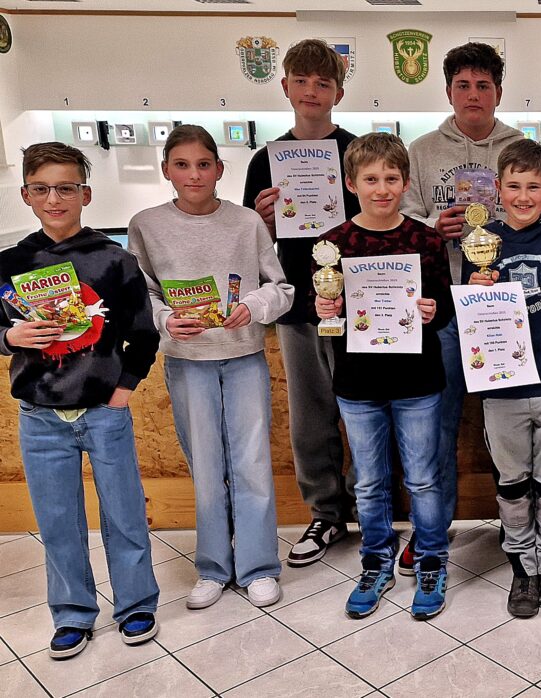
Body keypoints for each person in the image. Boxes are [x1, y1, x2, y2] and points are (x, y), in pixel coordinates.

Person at [0, 142, 160, 658]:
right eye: (42, 188)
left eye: (66, 187)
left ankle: (136, 604)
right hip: (40, 415)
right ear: (26, 195)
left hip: (103, 411)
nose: (55, 198)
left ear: (85, 193)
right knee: (58, 520)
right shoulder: (10, 263)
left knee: (124, 514)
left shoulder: (115, 261)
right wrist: (11, 339)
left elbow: (145, 334)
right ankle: (72, 614)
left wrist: (124, 388)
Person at [128, 125, 294, 611]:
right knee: (205, 465)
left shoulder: (246, 223)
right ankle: (214, 567)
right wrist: (164, 319)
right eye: (182, 165)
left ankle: (260, 566)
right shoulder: (146, 225)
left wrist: (255, 305)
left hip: (243, 356)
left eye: (204, 164)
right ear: (166, 171)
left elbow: (280, 287)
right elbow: (144, 294)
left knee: (252, 463)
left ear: (220, 170)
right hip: (188, 362)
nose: (194, 174)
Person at [314, 133, 453, 620]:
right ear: (351, 183)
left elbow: (446, 311)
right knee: (370, 483)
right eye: (370, 179)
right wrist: (324, 307)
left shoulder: (426, 239)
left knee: (422, 480)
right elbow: (327, 320)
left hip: (417, 382)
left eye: (391, 178)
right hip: (358, 384)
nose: (381, 188)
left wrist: (432, 309)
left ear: (405, 182)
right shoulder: (333, 246)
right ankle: (375, 562)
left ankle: (432, 560)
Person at [401, 42, 525, 571]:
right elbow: (403, 222)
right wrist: (434, 229)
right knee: (441, 424)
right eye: (463, 85)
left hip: (505, 304)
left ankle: (517, 528)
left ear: (499, 91)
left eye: (484, 85)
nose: (473, 95)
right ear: (448, 90)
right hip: (447, 308)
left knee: (509, 424)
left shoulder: (520, 146)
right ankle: (433, 530)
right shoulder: (423, 151)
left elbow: (535, 210)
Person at [243, 38, 360, 567]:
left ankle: (372, 506)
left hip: (359, 303)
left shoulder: (359, 150)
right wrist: (262, 223)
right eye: (303, 81)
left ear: (338, 90)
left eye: (324, 82)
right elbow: (249, 245)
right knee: (311, 414)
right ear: (285, 85)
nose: (312, 91)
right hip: (296, 302)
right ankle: (326, 512)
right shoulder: (265, 161)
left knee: (365, 407)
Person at [466, 140, 541, 618]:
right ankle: (521, 564)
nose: (522, 196)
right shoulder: (480, 242)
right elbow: (469, 318)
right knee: (513, 483)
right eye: (513, 186)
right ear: (497, 188)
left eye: (532, 186)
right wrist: (471, 290)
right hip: (502, 388)